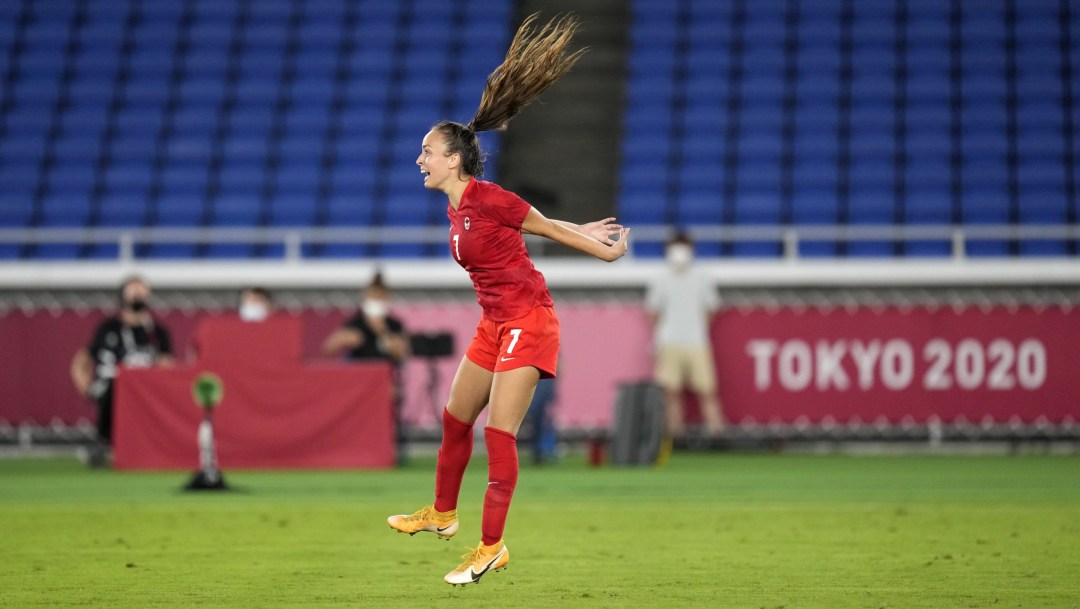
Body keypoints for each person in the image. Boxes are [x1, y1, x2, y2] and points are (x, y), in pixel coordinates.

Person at [385, 14, 630, 586]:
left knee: (499, 434)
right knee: (453, 420)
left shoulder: (488, 197)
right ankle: (442, 515)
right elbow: (541, 224)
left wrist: (599, 249)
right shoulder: (456, 208)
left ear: (453, 159)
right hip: (494, 323)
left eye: (426, 151)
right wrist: (583, 228)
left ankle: (490, 547)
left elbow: (540, 226)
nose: (419, 158)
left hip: (528, 320)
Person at [69, 276, 175, 467]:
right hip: (109, 383)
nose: (138, 296)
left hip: (144, 390)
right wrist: (84, 384)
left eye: (142, 292)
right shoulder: (108, 328)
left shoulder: (157, 332)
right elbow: (82, 359)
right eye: (133, 292)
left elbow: (167, 366)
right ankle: (104, 443)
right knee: (113, 388)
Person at [645, 231, 725, 442]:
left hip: (697, 342)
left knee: (707, 389)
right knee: (671, 392)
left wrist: (695, 329)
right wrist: (663, 335)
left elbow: (711, 310)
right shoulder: (660, 277)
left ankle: (716, 435)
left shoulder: (702, 276)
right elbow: (653, 312)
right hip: (669, 342)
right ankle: (676, 436)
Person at [320, 273, 407, 366]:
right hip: (361, 375)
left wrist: (382, 332)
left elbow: (401, 353)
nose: (375, 301)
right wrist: (341, 339)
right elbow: (327, 349)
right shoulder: (356, 323)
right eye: (372, 296)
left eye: (379, 297)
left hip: (385, 376)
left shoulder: (394, 325)